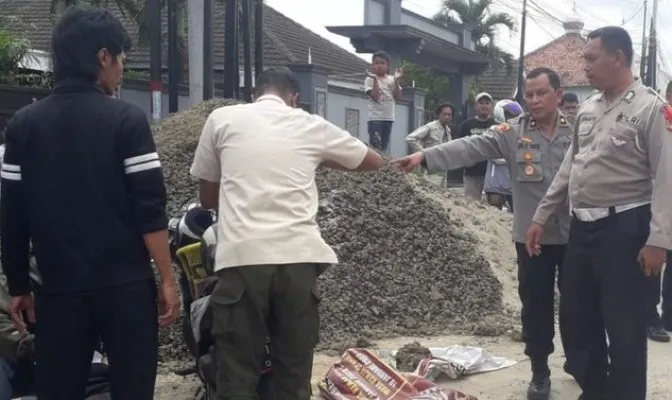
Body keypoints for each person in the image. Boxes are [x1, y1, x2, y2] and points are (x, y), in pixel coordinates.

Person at [0, 7, 180, 399]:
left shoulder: (23, 126)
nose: (121, 68)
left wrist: (17, 285)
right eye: (120, 59)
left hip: (58, 290)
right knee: (132, 390)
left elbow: (12, 216)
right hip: (125, 290)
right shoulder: (127, 122)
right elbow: (149, 211)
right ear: (102, 57)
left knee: (58, 389)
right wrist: (167, 279)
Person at [190, 67, 384, 400]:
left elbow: (208, 198)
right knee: (293, 379)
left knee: (236, 377)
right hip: (298, 260)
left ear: (255, 93)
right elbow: (372, 160)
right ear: (294, 98)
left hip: (242, 259)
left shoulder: (221, 118)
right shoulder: (310, 125)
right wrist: (318, 159)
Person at [392, 68, 573, 400]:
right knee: (536, 307)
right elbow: (470, 147)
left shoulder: (577, 131)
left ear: (558, 95)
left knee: (579, 305)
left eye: (540, 93)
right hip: (531, 238)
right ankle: (540, 371)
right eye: (528, 94)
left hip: (575, 233)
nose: (533, 100)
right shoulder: (511, 131)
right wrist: (425, 155)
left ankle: (580, 361)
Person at [526, 27, 672, 400]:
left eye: (591, 58)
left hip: (625, 229)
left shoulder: (650, 108)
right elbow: (570, 168)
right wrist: (542, 215)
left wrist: (659, 240)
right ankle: (598, 388)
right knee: (574, 322)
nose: (584, 66)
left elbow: (666, 179)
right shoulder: (589, 108)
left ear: (618, 58)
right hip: (583, 229)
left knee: (625, 329)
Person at [645, 81, 672, 342]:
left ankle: (668, 317)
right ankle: (651, 316)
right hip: (655, 204)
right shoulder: (658, 120)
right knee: (654, 260)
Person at [453, 92, 496, 200]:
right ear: (475, 106)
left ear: (492, 106)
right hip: (472, 173)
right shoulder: (466, 125)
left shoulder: (497, 125)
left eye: (487, 103)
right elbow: (457, 144)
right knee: (471, 205)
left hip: (492, 174)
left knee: (494, 205)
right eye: (481, 103)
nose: (484, 106)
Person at [483, 100, 520, 211]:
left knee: (517, 214)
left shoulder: (520, 131)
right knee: (494, 217)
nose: (513, 118)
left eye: (516, 116)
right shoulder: (494, 130)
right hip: (496, 183)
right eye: (510, 116)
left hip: (513, 183)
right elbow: (494, 155)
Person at [406, 102, 454, 186]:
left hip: (443, 169)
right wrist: (423, 153)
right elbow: (411, 138)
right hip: (430, 169)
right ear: (439, 114)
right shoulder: (431, 127)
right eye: (444, 114)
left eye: (449, 115)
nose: (447, 117)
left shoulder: (447, 130)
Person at [364, 50, 403, 152]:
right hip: (375, 119)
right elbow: (375, 97)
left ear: (387, 65)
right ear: (372, 65)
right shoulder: (369, 79)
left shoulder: (391, 79)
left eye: (382, 63)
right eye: (376, 63)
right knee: (375, 148)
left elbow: (398, 97)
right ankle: (374, 167)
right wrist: (375, 80)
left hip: (389, 118)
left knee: (383, 148)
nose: (380, 65)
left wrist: (397, 80)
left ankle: (381, 166)